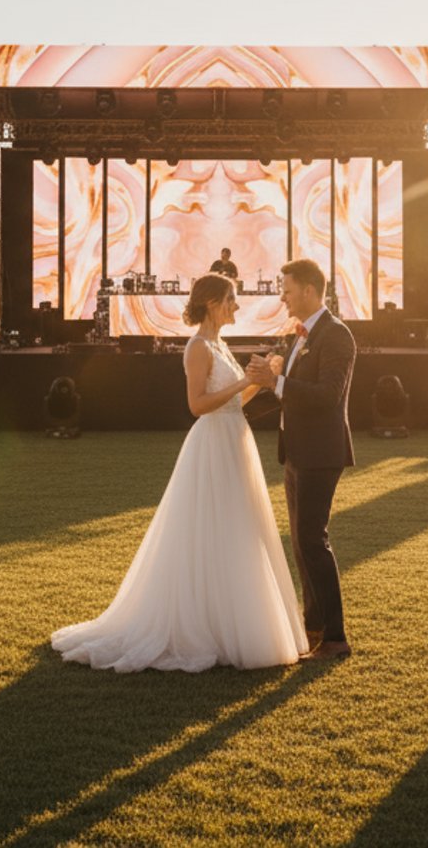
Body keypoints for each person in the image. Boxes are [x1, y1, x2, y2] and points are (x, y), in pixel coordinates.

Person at [53, 274, 307, 671]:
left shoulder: (220, 344)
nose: (236, 308)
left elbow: (236, 401)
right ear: (210, 303)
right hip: (212, 444)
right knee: (208, 528)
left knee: (237, 528)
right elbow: (198, 405)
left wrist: (260, 380)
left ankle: (228, 620)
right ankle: (204, 625)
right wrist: (245, 378)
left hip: (234, 440)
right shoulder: (197, 347)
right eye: (231, 300)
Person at [245, 258, 357, 660]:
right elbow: (289, 393)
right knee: (301, 543)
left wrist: (274, 380)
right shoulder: (300, 336)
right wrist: (255, 393)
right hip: (295, 452)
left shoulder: (337, 335)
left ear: (310, 291)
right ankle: (314, 628)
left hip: (320, 453)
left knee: (313, 540)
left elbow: (328, 395)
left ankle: (335, 636)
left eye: (287, 289)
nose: (283, 296)